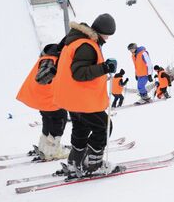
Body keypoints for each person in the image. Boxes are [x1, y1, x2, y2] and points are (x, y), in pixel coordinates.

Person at [52, 14, 121, 178]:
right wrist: (104, 68)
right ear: (104, 32)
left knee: (81, 129)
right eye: (108, 35)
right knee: (104, 127)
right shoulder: (87, 45)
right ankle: (92, 165)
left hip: (72, 97)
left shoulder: (77, 41)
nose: (108, 39)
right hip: (81, 99)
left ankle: (75, 162)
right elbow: (79, 73)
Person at [16, 43, 69, 161]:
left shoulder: (46, 58)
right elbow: (42, 77)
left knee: (48, 121)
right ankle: (52, 151)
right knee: (59, 120)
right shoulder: (51, 60)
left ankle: (44, 146)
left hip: (42, 99)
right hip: (50, 99)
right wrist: (54, 71)